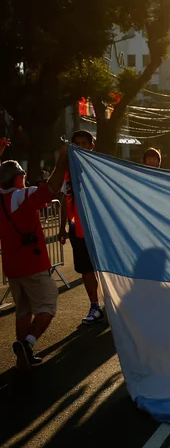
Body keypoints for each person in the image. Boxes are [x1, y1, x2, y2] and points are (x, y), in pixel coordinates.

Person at [1, 144, 69, 369]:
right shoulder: (22, 196)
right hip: (32, 264)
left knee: (23, 311)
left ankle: (23, 360)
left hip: (12, 266)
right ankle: (28, 345)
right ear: (18, 177)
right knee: (48, 305)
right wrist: (62, 160)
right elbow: (51, 188)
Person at [58, 131, 104, 325]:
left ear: (91, 145)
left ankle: (113, 303)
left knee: (105, 269)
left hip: (100, 228)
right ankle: (95, 305)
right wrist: (61, 227)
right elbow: (63, 199)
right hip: (78, 228)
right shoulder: (67, 171)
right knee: (86, 269)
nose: (79, 147)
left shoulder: (100, 168)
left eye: (83, 143)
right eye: (76, 144)